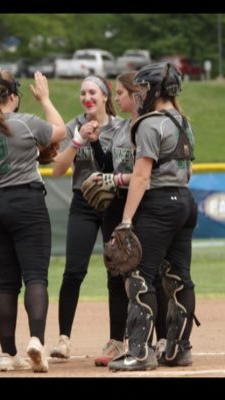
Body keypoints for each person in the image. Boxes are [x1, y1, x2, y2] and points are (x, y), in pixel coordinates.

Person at [0, 69, 66, 372]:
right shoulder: (25, 122)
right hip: (26, 202)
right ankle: (36, 340)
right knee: (35, 276)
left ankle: (7, 354)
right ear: (12, 96)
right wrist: (45, 99)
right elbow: (60, 130)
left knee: (7, 282)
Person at [108, 62, 198, 371]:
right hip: (185, 200)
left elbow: (142, 176)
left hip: (159, 203)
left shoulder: (149, 123)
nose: (140, 94)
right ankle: (178, 349)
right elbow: (188, 169)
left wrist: (126, 220)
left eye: (144, 88)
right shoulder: (184, 121)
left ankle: (140, 351)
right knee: (177, 277)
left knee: (138, 277)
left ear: (156, 91)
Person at [81, 71, 169, 366]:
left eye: (120, 93)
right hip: (114, 209)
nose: (116, 98)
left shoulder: (146, 127)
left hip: (142, 207)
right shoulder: (120, 129)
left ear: (135, 95)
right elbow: (109, 164)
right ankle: (119, 341)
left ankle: (162, 339)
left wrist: (116, 179)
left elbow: (148, 174)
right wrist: (94, 144)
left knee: (149, 275)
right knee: (116, 276)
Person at [50, 75, 122, 360]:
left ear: (105, 96)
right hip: (83, 201)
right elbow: (57, 169)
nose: (86, 97)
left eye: (92, 92)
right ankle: (64, 339)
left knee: (116, 271)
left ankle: (116, 340)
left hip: (113, 203)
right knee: (73, 271)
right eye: (82, 93)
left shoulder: (120, 128)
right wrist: (78, 140)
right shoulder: (73, 126)